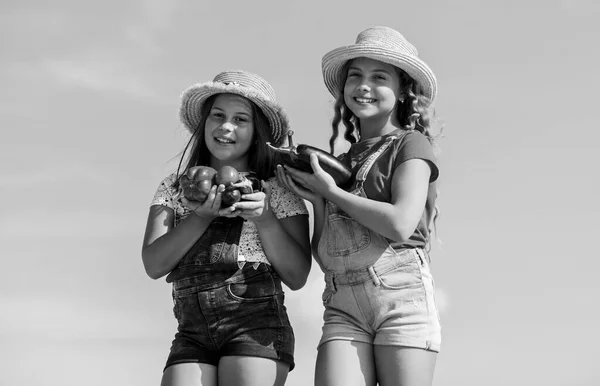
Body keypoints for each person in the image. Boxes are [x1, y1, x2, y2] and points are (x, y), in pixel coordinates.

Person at [277, 26, 443, 386]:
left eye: (378, 77)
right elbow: (326, 256)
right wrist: (319, 200)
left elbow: (400, 223)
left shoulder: (411, 145)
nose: (364, 86)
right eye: (356, 76)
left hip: (400, 297)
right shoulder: (339, 162)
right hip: (342, 302)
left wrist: (333, 193)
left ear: (403, 93)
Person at [142, 70, 312, 386]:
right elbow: (153, 263)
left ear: (258, 131)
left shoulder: (277, 191)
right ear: (204, 122)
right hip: (192, 332)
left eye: (240, 119)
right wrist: (201, 217)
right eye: (218, 115)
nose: (226, 126)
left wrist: (265, 219)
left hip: (255, 326)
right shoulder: (174, 188)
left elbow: (297, 274)